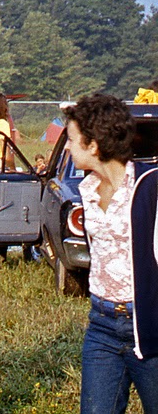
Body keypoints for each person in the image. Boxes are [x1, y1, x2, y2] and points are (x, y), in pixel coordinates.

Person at [62, 94, 158, 414]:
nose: (67, 147)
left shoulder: (150, 185)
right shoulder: (87, 190)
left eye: (71, 139)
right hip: (101, 325)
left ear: (93, 145)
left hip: (148, 326)